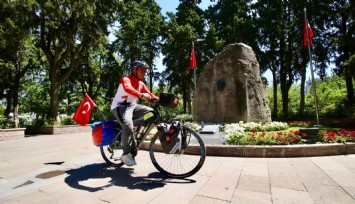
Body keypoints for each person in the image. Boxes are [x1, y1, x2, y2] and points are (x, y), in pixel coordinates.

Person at [111, 60, 158, 166]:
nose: (144, 73)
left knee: (152, 113)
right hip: (120, 107)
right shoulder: (126, 79)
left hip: (132, 106)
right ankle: (125, 154)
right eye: (142, 70)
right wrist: (141, 95)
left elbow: (150, 94)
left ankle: (134, 132)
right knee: (127, 126)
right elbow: (128, 89)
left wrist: (161, 100)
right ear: (134, 70)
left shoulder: (141, 83)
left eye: (145, 71)